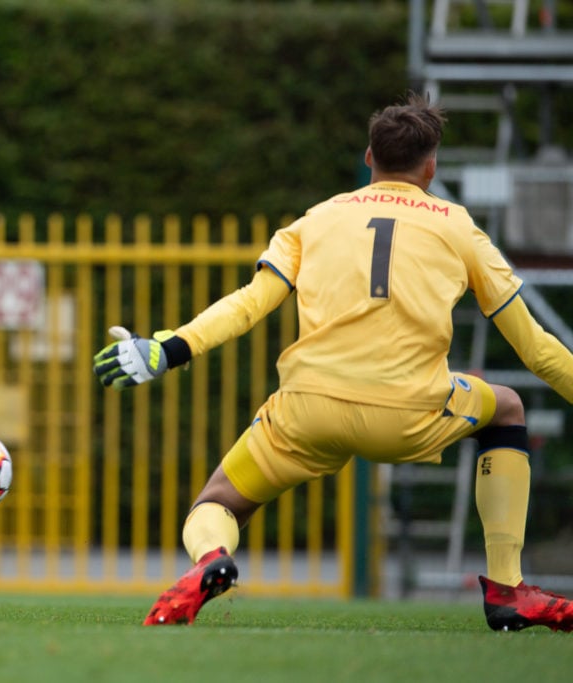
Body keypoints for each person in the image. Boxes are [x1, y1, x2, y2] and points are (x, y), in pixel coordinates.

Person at [93, 92, 573, 632]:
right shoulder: (459, 227)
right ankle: (506, 589)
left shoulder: (316, 219)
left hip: (308, 410)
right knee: (505, 407)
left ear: (369, 157)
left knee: (220, 501)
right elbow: (534, 348)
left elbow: (250, 304)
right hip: (410, 413)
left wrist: (168, 347)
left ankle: (212, 560)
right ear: (431, 167)